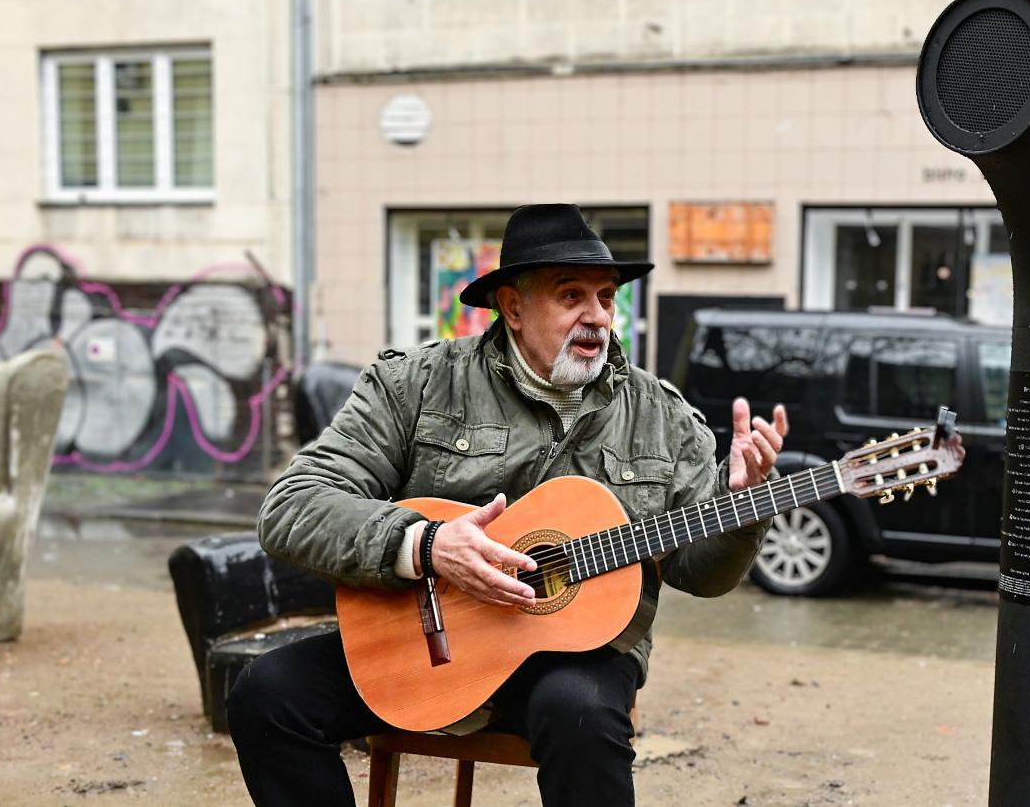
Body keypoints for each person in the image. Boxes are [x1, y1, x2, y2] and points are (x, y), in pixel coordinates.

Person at [227, 204, 789, 806]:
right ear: (513, 307)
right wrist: (426, 545)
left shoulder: (661, 417)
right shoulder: (417, 383)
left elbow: (701, 577)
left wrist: (745, 507)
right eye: (571, 295)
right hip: (424, 643)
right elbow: (292, 506)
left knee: (579, 714)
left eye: (606, 297)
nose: (597, 316)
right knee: (268, 692)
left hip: (579, 657)